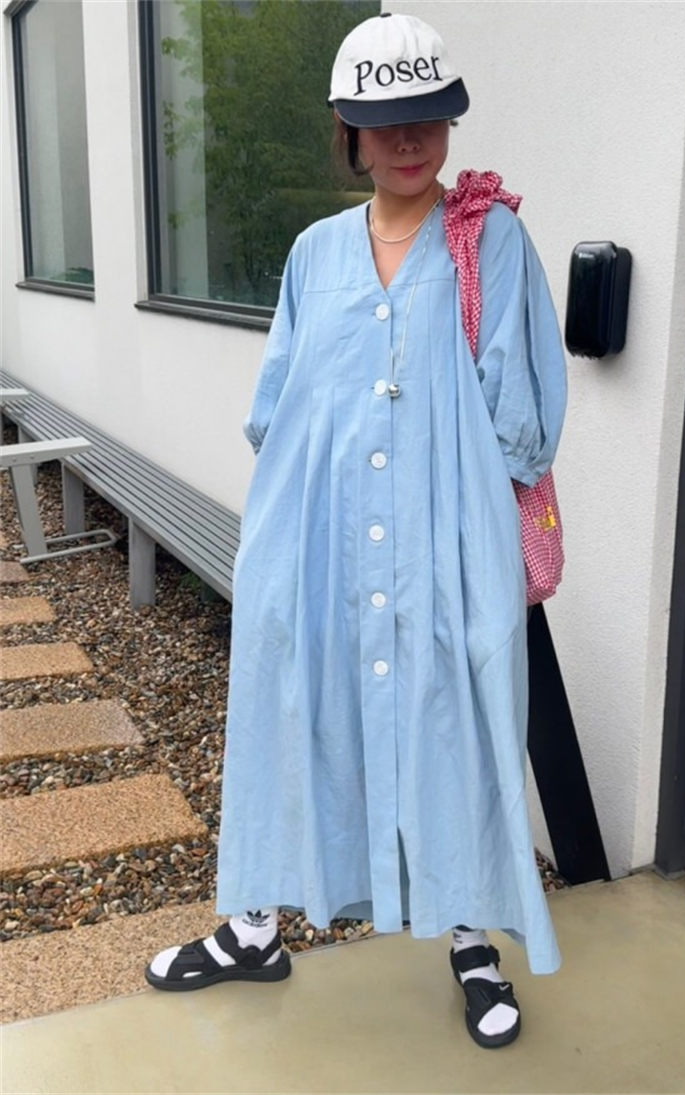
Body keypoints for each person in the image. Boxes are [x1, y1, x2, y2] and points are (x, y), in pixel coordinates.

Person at [146, 11, 566, 1050]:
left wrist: (468, 521)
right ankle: (254, 928)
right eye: (385, 121)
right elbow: (277, 404)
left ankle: (471, 938)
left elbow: (521, 410)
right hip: (318, 536)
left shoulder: (489, 240)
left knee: (458, 718)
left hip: (446, 541)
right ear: (349, 132)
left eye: (427, 115)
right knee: (289, 706)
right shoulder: (314, 253)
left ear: (450, 121)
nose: (409, 138)